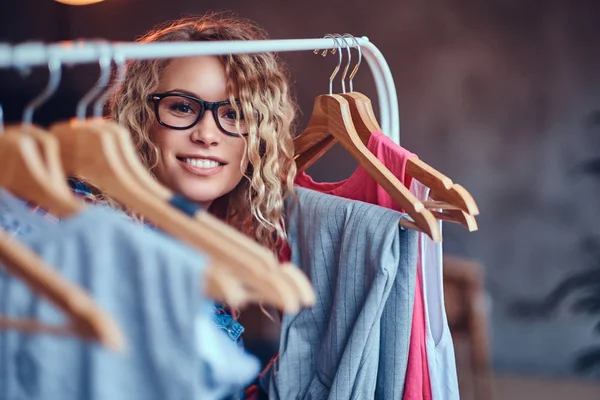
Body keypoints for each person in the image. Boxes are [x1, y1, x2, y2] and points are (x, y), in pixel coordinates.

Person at [63, 12, 298, 399]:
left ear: (257, 138)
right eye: (182, 107)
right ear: (142, 117)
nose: (206, 134)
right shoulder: (82, 231)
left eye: (233, 114)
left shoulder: (213, 249)